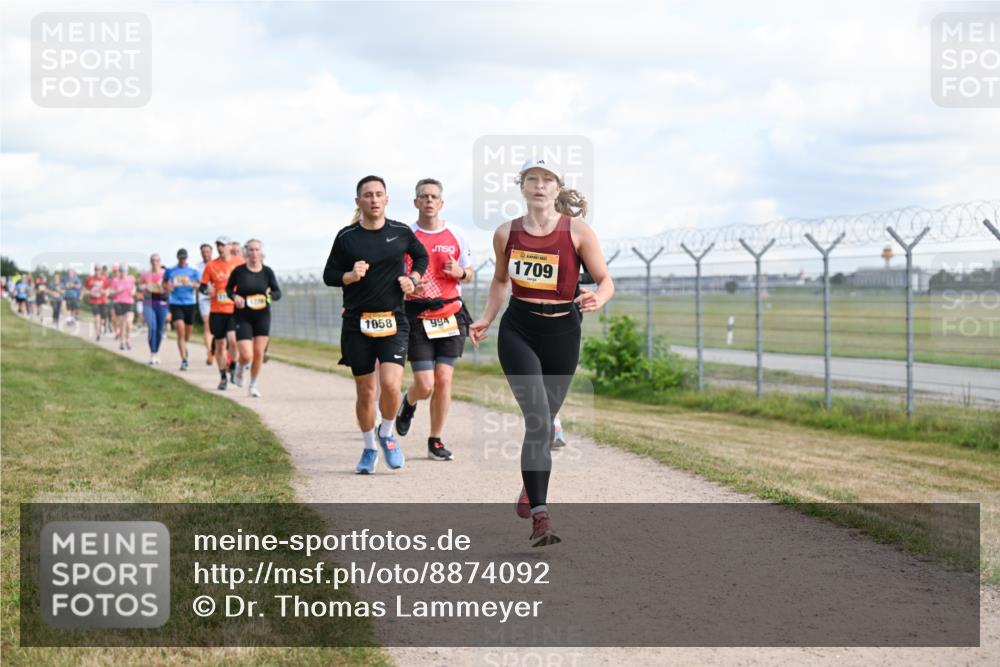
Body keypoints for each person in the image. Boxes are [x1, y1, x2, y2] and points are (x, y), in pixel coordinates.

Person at [469, 158, 614, 547]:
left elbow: (605, 280)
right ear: (522, 187)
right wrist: (486, 318)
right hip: (519, 330)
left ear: (557, 188)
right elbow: (500, 281)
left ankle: (530, 483)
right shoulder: (506, 233)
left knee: (545, 424)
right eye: (531, 179)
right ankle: (541, 517)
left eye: (547, 179)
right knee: (537, 420)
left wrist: (598, 297)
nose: (538, 185)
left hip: (564, 332)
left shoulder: (578, 231)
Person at [323, 175, 429, 474]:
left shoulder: (400, 231)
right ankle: (369, 447)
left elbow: (421, 256)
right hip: (357, 323)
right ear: (358, 201)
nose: (373, 199)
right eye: (367, 195)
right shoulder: (347, 237)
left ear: (386, 199)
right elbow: (329, 275)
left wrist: (413, 279)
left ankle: (387, 433)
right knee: (366, 391)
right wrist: (349, 275)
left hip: (394, 320)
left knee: (391, 384)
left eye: (378, 194)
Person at [394, 178, 473, 461]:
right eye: (424, 196)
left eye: (434, 197)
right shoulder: (405, 236)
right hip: (417, 315)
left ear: (441, 203)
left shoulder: (456, 234)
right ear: (416, 202)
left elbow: (469, 272)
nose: (429, 201)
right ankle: (409, 401)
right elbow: (395, 275)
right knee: (425, 384)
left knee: (444, 379)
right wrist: (409, 286)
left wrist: (460, 273)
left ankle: (435, 440)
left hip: (450, 314)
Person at [226, 239, 281, 397]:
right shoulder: (239, 271)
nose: (254, 253)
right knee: (246, 355)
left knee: (259, 353)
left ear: (261, 252)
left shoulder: (267, 272)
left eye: (257, 250)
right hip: (243, 316)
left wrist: (270, 295)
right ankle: (239, 368)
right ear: (246, 252)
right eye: (251, 250)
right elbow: (228, 289)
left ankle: (253, 384)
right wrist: (235, 297)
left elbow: (278, 293)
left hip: (262, 316)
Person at [199, 236, 245, 390]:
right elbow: (202, 286)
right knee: (220, 344)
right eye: (218, 245)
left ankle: (233, 365)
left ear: (230, 246)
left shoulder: (239, 262)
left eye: (223, 245)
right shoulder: (211, 265)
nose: (220, 248)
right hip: (217, 311)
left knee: (233, 340)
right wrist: (208, 290)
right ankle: (223, 377)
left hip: (234, 310)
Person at [164, 248, 201, 371]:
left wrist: (191, 284)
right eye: (180, 258)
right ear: (177, 258)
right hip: (176, 303)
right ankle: (184, 360)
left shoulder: (193, 270)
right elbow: (164, 283)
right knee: (180, 330)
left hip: (190, 303)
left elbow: (200, 285)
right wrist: (168, 287)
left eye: (184, 258)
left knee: (187, 334)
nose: (182, 260)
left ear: (187, 258)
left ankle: (184, 346)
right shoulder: (171, 270)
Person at [140, 254, 168, 364]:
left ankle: (156, 352)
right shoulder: (145, 274)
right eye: (152, 260)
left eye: (157, 260)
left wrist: (157, 287)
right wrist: (146, 287)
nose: (154, 262)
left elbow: (168, 288)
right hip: (148, 303)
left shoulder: (165, 273)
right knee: (152, 327)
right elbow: (141, 287)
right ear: (150, 262)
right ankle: (152, 353)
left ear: (160, 261)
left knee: (159, 330)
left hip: (162, 303)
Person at [195, 243, 215, 365]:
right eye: (203, 252)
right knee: (207, 324)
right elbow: (195, 283)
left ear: (211, 252)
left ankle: (217, 348)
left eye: (208, 251)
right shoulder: (197, 267)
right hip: (204, 298)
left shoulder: (217, 264)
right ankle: (209, 352)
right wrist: (202, 287)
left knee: (217, 326)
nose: (206, 254)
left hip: (217, 298)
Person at [110, 265, 137, 350]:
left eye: (124, 271)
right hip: (119, 302)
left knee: (129, 322)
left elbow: (134, 288)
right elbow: (111, 292)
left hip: (129, 302)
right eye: (121, 271)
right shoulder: (115, 280)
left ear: (127, 272)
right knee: (122, 324)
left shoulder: (131, 279)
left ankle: (128, 341)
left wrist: (133, 291)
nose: (123, 273)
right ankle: (121, 342)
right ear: (119, 272)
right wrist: (117, 291)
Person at [84, 266, 111, 340]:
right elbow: (85, 289)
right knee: (97, 317)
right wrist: (90, 292)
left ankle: (101, 326)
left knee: (103, 317)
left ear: (101, 270)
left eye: (98, 269)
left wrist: (104, 292)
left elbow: (108, 291)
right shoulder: (89, 278)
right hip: (94, 301)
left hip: (103, 300)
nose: (97, 271)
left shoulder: (105, 279)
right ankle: (98, 334)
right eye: (96, 269)